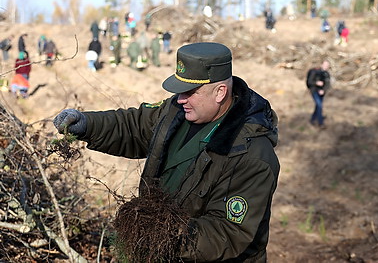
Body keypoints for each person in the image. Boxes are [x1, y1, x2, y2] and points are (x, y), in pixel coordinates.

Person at [52, 42, 280, 262]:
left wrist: (165, 232)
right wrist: (88, 125)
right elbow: (134, 126)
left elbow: (229, 233)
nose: (180, 99)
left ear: (220, 92)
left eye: (189, 92)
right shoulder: (177, 112)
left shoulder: (252, 155)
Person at [306, 60, 331, 129]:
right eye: (325, 65)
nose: (326, 67)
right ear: (321, 64)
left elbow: (328, 84)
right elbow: (309, 81)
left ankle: (312, 119)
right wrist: (316, 83)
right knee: (319, 105)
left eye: (327, 65)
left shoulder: (327, 74)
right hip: (314, 91)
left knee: (318, 106)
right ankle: (321, 123)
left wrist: (323, 90)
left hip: (322, 93)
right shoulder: (314, 71)